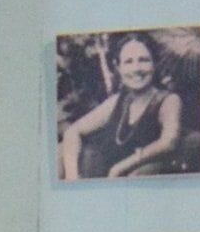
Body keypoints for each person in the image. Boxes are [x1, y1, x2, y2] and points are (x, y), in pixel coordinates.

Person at [57, 33, 192, 180]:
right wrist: (72, 177)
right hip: (109, 178)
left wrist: (119, 168)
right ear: (118, 67)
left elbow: (168, 142)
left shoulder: (168, 100)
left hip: (143, 179)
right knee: (60, 152)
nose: (136, 68)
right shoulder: (118, 101)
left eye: (144, 60)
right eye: (128, 62)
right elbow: (73, 131)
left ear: (155, 63)